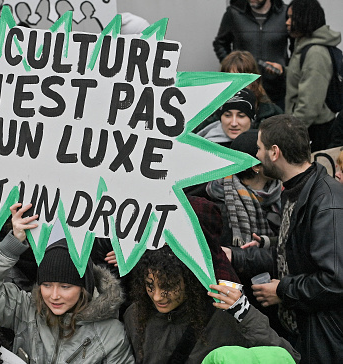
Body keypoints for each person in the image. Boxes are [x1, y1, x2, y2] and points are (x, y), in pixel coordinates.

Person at [226, 114, 343, 363]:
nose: (256, 156)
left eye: (259, 148)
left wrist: (282, 290)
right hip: (300, 327)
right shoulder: (294, 191)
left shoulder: (326, 204)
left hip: (321, 337)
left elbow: (334, 281)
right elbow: (292, 253)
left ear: (275, 152)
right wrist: (236, 255)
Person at [0, 203, 135, 364]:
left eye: (65, 287)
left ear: (84, 288)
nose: (54, 296)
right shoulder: (26, 309)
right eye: (47, 285)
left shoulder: (112, 334)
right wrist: (12, 243)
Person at [124, 245, 299, 363]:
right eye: (149, 285)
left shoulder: (223, 315)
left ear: (189, 280)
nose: (157, 297)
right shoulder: (135, 315)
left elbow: (287, 357)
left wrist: (246, 316)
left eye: (168, 286)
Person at [213, 0, 289, 110]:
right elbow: (220, 43)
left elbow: (296, 46)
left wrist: (284, 68)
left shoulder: (284, 14)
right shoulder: (234, 13)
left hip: (277, 90)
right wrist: (232, 68)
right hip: (243, 87)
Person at [278, 0, 341, 152]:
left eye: (292, 17)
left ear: (305, 19)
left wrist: (290, 134)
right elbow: (303, 76)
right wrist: (283, 71)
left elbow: (309, 105)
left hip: (313, 131)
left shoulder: (315, 53)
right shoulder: (304, 46)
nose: (287, 22)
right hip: (306, 128)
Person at [206, 129, 281, 247]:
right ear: (256, 166)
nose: (279, 159)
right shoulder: (222, 209)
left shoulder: (283, 194)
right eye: (272, 154)